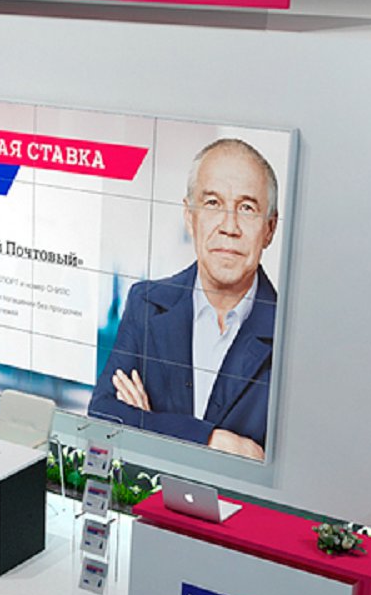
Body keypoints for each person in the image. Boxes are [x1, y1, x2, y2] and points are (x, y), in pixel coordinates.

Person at [88, 137, 279, 460]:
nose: (229, 226)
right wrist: (211, 440)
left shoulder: (291, 336)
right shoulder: (146, 303)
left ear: (270, 229)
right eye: (213, 203)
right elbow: (103, 416)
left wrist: (148, 423)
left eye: (247, 208)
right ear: (190, 216)